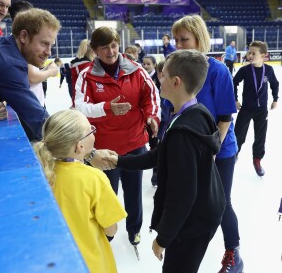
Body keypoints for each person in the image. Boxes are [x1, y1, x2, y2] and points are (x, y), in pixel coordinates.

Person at [106, 50, 226, 273]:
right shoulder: (194, 112)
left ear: (176, 82)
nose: (159, 78)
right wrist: (119, 160)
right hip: (205, 209)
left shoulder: (184, 132)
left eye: (163, 74)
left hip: (194, 220)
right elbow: (159, 154)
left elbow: (182, 195)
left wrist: (164, 238)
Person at [74, 26, 160, 247]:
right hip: (104, 149)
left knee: (134, 193)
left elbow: (151, 96)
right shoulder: (86, 76)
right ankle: (108, 232)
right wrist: (106, 107)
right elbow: (80, 108)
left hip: (134, 144)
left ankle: (134, 230)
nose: (111, 52)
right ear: (95, 50)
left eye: (114, 46)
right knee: (106, 195)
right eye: (105, 48)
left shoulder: (136, 70)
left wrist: (152, 117)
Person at [171, 14, 243, 273]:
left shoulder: (218, 70)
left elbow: (224, 118)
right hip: (189, 151)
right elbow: (173, 112)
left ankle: (233, 253)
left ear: (199, 40)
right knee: (188, 202)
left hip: (220, 151)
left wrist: (212, 150)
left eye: (184, 39)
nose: (179, 45)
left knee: (221, 204)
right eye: (176, 40)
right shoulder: (175, 70)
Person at [33, 109, 127, 273]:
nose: (93, 131)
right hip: (89, 262)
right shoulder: (94, 179)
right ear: (80, 146)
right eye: (91, 130)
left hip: (54, 260)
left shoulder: (40, 173)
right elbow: (111, 229)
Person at [0, 8, 61, 141]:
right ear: (23, 36)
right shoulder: (10, 65)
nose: (48, 52)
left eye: (51, 46)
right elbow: (40, 122)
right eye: (44, 44)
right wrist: (89, 152)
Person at [233, 40, 279, 176]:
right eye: (249, 52)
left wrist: (275, 99)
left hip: (261, 111)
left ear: (263, 55)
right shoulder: (245, 70)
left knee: (260, 137)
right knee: (238, 134)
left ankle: (257, 160)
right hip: (246, 108)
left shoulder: (268, 70)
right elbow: (233, 83)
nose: (250, 55)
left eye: (254, 53)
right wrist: (235, 99)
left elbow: (275, 84)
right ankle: (233, 155)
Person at [9, 0, 59, 107]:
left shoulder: (16, 43)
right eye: (44, 43)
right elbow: (31, 78)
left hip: (35, 105)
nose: (49, 52)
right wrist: (50, 71)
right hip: (29, 108)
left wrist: (46, 70)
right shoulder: (22, 45)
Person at [142, 54, 160, 187]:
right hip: (145, 118)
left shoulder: (158, 79)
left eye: (148, 64)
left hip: (157, 117)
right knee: (152, 146)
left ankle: (156, 174)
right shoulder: (142, 77)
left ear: (154, 65)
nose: (145, 66)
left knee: (156, 146)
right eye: (144, 64)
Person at [70, 39, 96, 104]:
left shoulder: (74, 65)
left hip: (76, 100)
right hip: (88, 102)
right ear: (93, 52)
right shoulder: (90, 67)